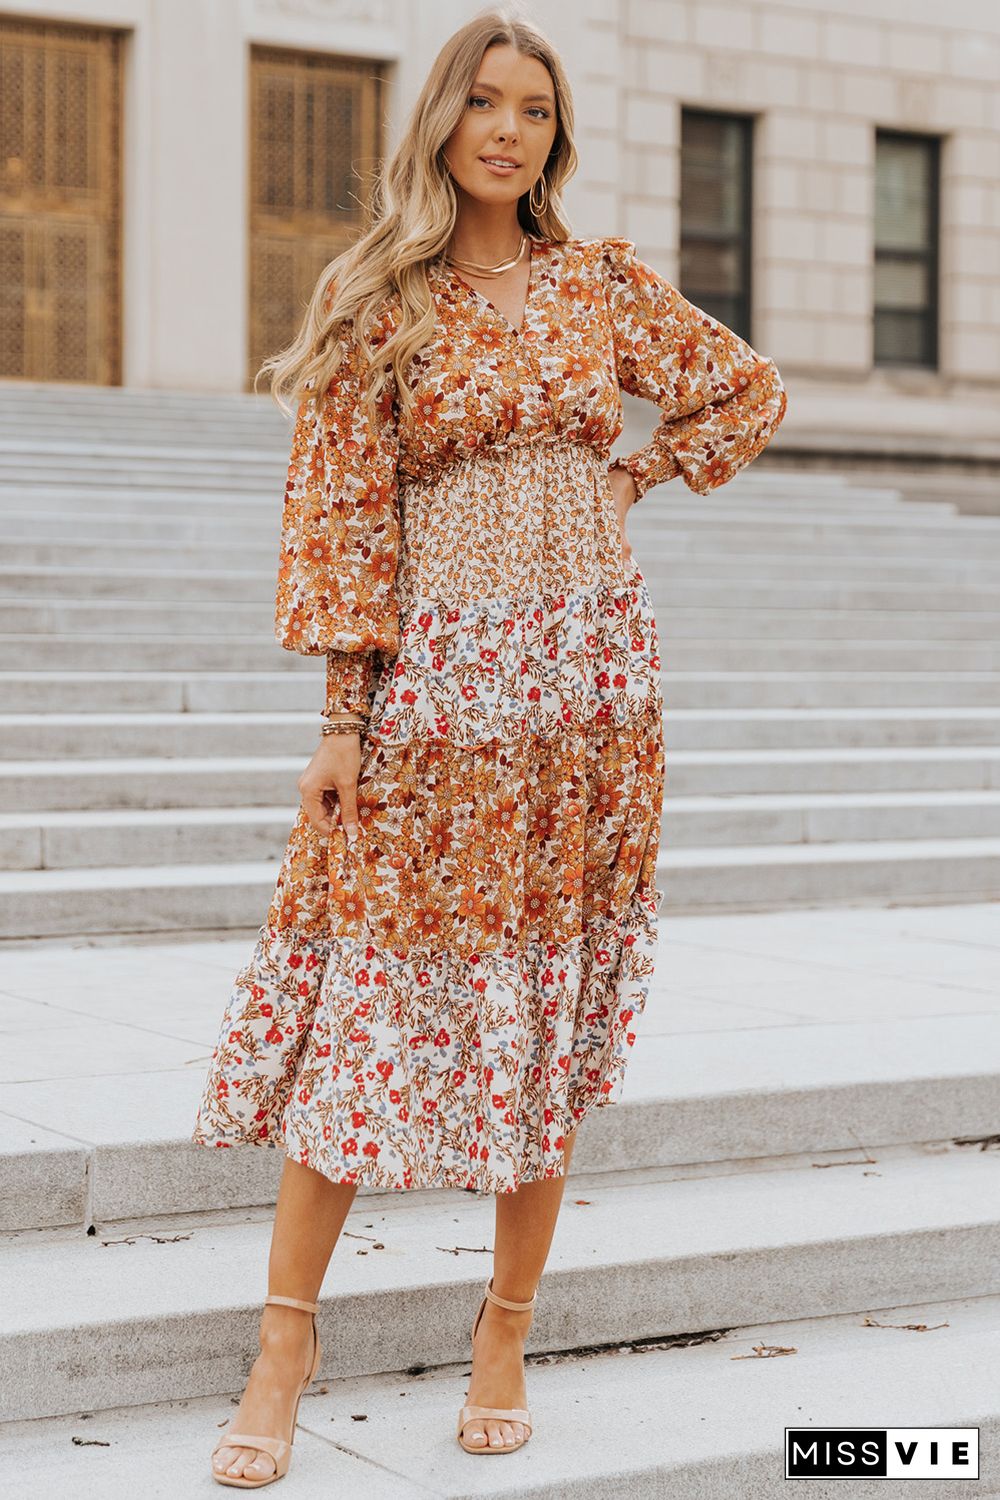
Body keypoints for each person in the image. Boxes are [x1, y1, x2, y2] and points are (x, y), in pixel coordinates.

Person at [194, 7, 787, 1488]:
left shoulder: (600, 285)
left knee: (548, 999)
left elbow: (749, 388)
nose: (507, 129)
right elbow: (335, 513)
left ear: (554, 135)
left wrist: (641, 470)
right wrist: (343, 715)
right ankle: (285, 1340)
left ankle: (505, 1329)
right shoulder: (376, 295)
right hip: (440, 686)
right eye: (483, 103)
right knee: (366, 997)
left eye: (534, 107)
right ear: (441, 125)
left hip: (590, 686)